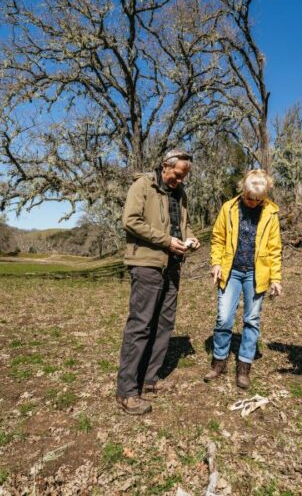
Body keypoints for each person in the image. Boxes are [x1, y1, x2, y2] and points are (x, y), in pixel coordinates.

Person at [115, 149, 201, 415]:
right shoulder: (143, 186)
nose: (180, 181)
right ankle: (127, 391)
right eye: (177, 175)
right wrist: (167, 241)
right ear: (166, 166)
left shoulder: (181, 194)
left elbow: (181, 226)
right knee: (140, 324)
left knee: (164, 322)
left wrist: (191, 237)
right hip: (147, 264)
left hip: (173, 265)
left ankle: (149, 377)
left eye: (185, 177)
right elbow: (130, 221)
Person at [205, 169, 282, 389]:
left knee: (251, 320)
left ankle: (244, 366)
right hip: (231, 271)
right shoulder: (228, 208)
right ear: (243, 190)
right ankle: (219, 362)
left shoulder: (270, 212)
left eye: (258, 200)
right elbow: (218, 238)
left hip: (256, 273)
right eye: (249, 198)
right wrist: (216, 263)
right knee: (224, 318)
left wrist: (276, 278)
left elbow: (275, 249)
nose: (252, 203)